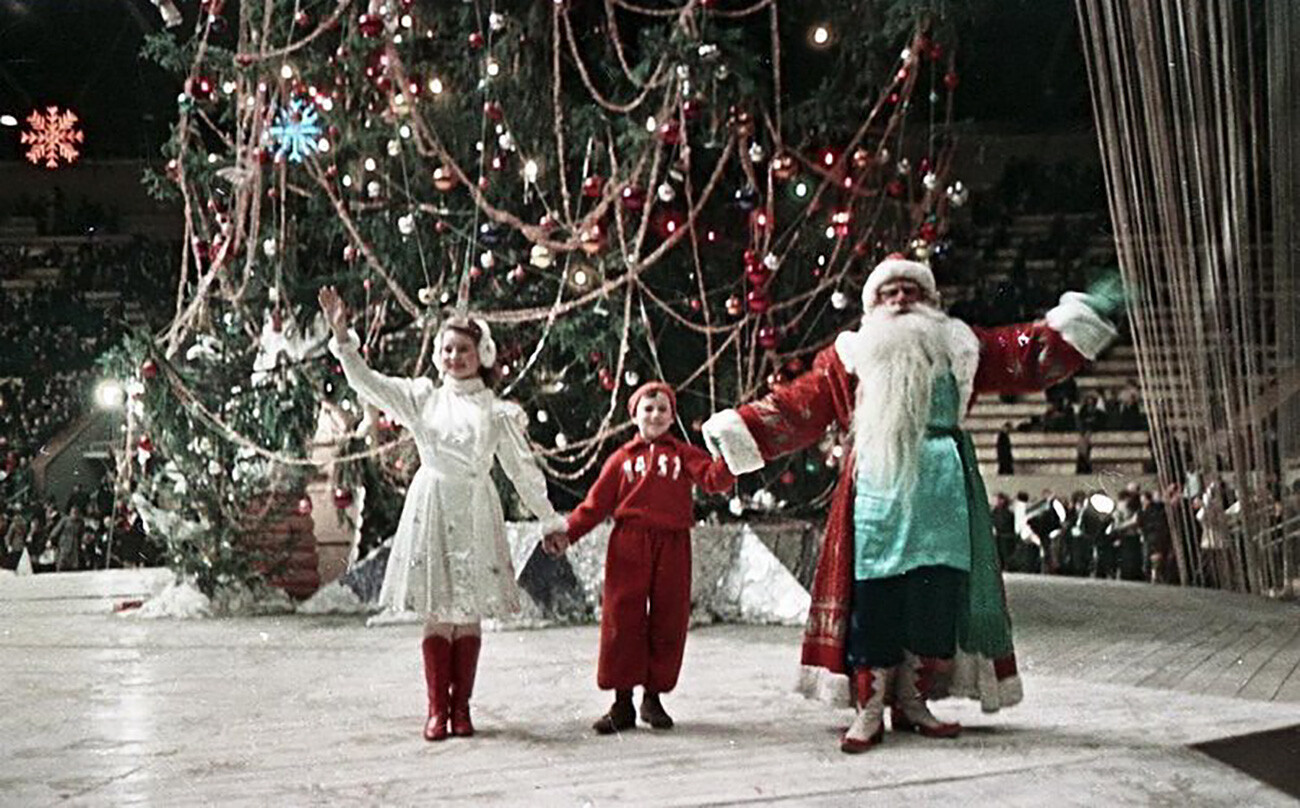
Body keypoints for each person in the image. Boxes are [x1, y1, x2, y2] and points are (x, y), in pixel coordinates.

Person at [702, 256, 1122, 753]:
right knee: (875, 603)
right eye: (889, 293)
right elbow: (799, 406)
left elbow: (1025, 356)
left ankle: (914, 703)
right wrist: (740, 430)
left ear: (930, 301)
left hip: (943, 495)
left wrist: (1076, 321)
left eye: (910, 291)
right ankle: (870, 709)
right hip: (876, 495)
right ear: (872, 305)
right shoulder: (851, 357)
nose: (901, 300)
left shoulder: (961, 345)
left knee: (934, 602)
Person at [319, 286, 567, 742]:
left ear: (482, 355)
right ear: (439, 354)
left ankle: (462, 708)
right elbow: (367, 381)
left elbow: (521, 469)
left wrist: (549, 518)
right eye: (448, 349)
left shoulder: (497, 412)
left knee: (467, 608)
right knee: (439, 608)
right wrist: (342, 336)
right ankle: (436, 708)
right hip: (431, 502)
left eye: (465, 350)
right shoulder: (422, 399)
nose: (455, 357)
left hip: (475, 504)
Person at [541, 382, 734, 734]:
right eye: (648, 408)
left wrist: (731, 457)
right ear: (633, 415)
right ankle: (621, 702)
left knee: (669, 618)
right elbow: (594, 506)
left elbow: (713, 479)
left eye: (662, 409)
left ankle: (654, 698)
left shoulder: (683, 454)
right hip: (629, 545)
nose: (655, 415)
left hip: (673, 544)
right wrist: (566, 534)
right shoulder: (621, 460)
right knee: (622, 618)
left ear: (672, 416)